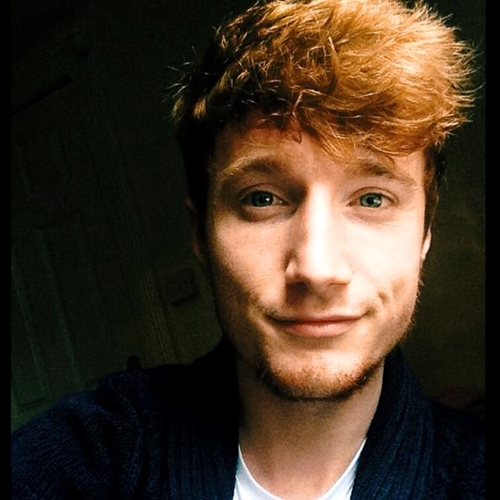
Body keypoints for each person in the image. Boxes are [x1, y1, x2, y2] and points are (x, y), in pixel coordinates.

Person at [11, 0, 485, 498]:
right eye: (262, 199)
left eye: (372, 199)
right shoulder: (97, 449)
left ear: (424, 234)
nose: (317, 269)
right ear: (200, 233)